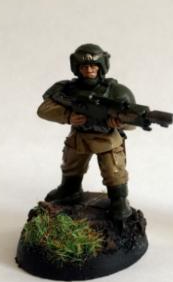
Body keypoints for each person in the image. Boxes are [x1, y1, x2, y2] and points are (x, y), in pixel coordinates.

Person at [37, 43, 135, 220]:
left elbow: (133, 121)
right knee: (71, 164)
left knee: (114, 171)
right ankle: (70, 190)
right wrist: (68, 116)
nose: (89, 70)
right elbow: (44, 109)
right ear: (77, 67)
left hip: (107, 139)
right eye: (84, 66)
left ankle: (119, 200)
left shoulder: (117, 92)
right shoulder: (66, 89)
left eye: (93, 66)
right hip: (80, 136)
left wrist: (120, 123)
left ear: (101, 66)